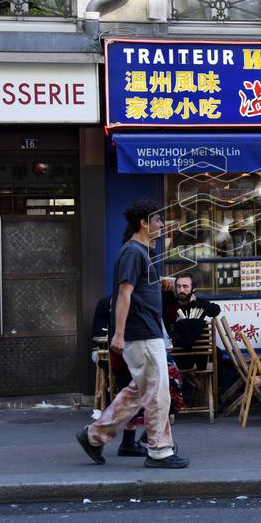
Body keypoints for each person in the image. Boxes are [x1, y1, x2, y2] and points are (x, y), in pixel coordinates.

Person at [76, 199, 189, 469]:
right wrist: (119, 334)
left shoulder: (140, 252)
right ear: (144, 223)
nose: (162, 225)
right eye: (158, 220)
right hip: (142, 333)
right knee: (159, 393)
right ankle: (160, 451)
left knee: (138, 393)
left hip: (144, 331)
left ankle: (94, 436)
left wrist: (159, 285)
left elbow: (134, 290)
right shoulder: (133, 253)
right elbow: (124, 294)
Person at [91, 294, 147, 457]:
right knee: (132, 397)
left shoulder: (137, 296)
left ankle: (146, 438)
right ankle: (95, 437)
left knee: (138, 396)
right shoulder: (118, 300)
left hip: (135, 351)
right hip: (129, 353)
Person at [168, 273, 221, 350]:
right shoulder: (171, 304)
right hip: (178, 350)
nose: (181, 290)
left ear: (194, 289)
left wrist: (195, 303)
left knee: (218, 352)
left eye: (185, 286)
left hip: (200, 350)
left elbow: (216, 310)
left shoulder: (199, 303)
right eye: (178, 286)